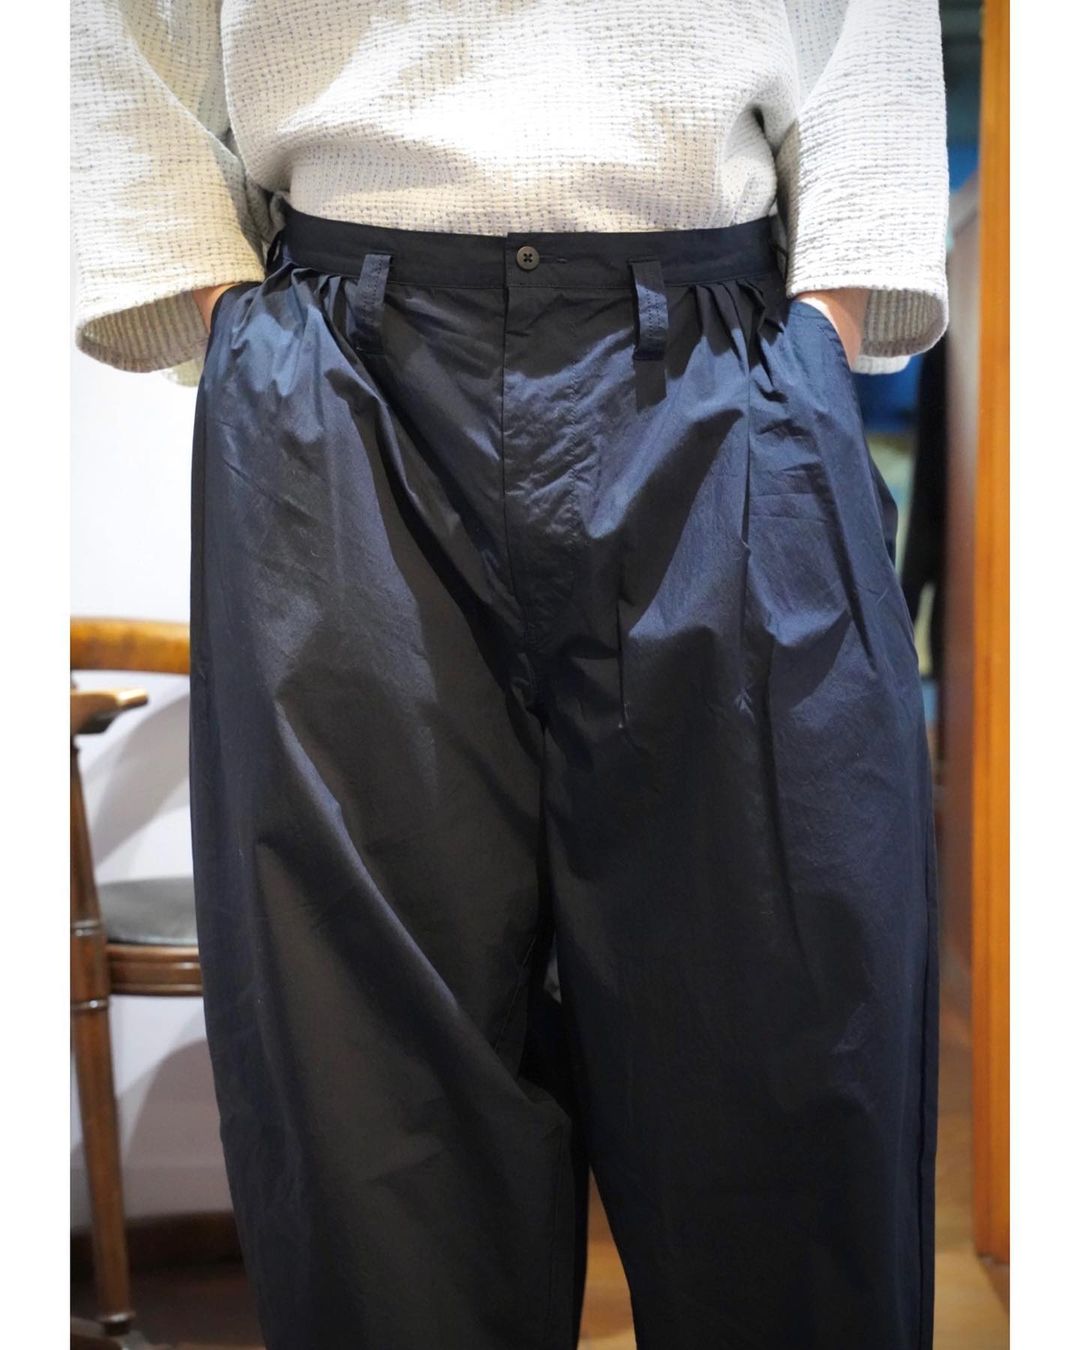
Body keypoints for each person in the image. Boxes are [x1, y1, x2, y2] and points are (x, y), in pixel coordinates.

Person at [70, 3, 949, 1348]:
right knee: (372, 1095)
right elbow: (121, 34)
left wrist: (818, 337)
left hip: (729, 369)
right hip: (336, 381)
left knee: (792, 1038)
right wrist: (237, 325)